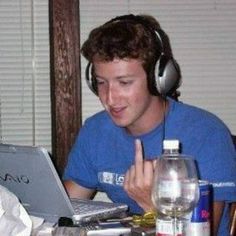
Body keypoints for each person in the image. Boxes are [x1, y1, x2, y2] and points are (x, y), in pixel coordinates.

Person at [63, 14, 236, 235]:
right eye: (101, 83)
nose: (110, 98)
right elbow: (64, 208)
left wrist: (153, 205)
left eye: (124, 82)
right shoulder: (95, 131)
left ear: (159, 79)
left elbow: (202, 232)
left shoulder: (207, 134)